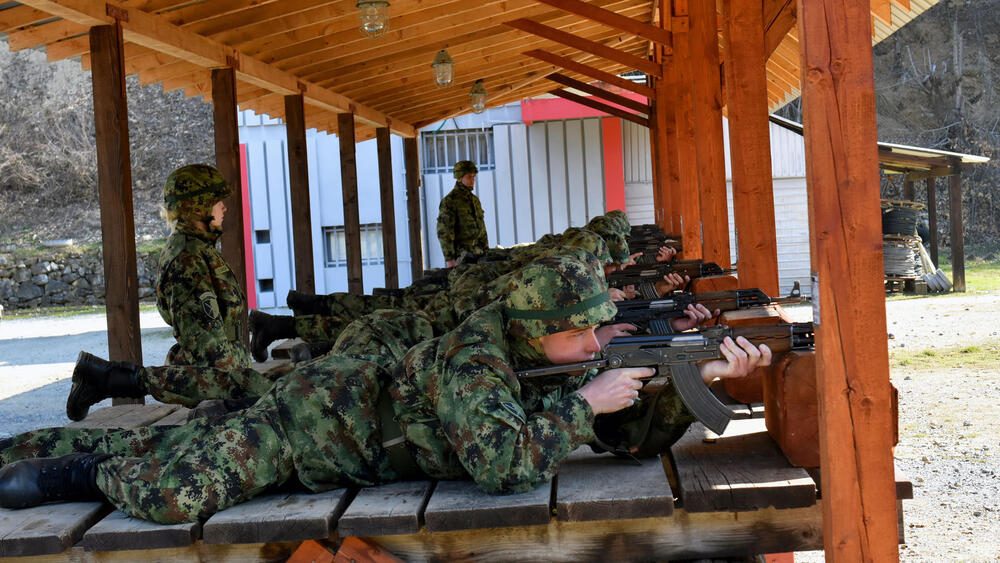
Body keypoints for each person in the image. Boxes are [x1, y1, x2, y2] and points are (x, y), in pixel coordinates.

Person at [0, 256, 770, 523]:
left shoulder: (546, 355)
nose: (597, 344)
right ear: (540, 328)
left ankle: (81, 446)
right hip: (313, 425)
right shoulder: (476, 357)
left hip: (353, 444)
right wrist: (582, 402)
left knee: (176, 444)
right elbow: (504, 465)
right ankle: (87, 467)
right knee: (177, 486)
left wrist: (699, 382)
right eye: (583, 334)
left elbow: (625, 438)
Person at [156, 164, 250, 371]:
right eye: (217, 202)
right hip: (215, 381)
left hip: (226, 374)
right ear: (198, 208)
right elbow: (205, 350)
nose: (224, 207)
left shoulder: (199, 248)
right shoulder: (187, 258)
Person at [436, 160, 489, 267]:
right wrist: (450, 259)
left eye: (474, 176)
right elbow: (444, 232)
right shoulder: (450, 201)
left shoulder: (475, 200)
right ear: (459, 178)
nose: (473, 180)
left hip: (479, 254)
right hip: (462, 257)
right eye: (469, 177)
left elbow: (482, 229)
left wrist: (486, 251)